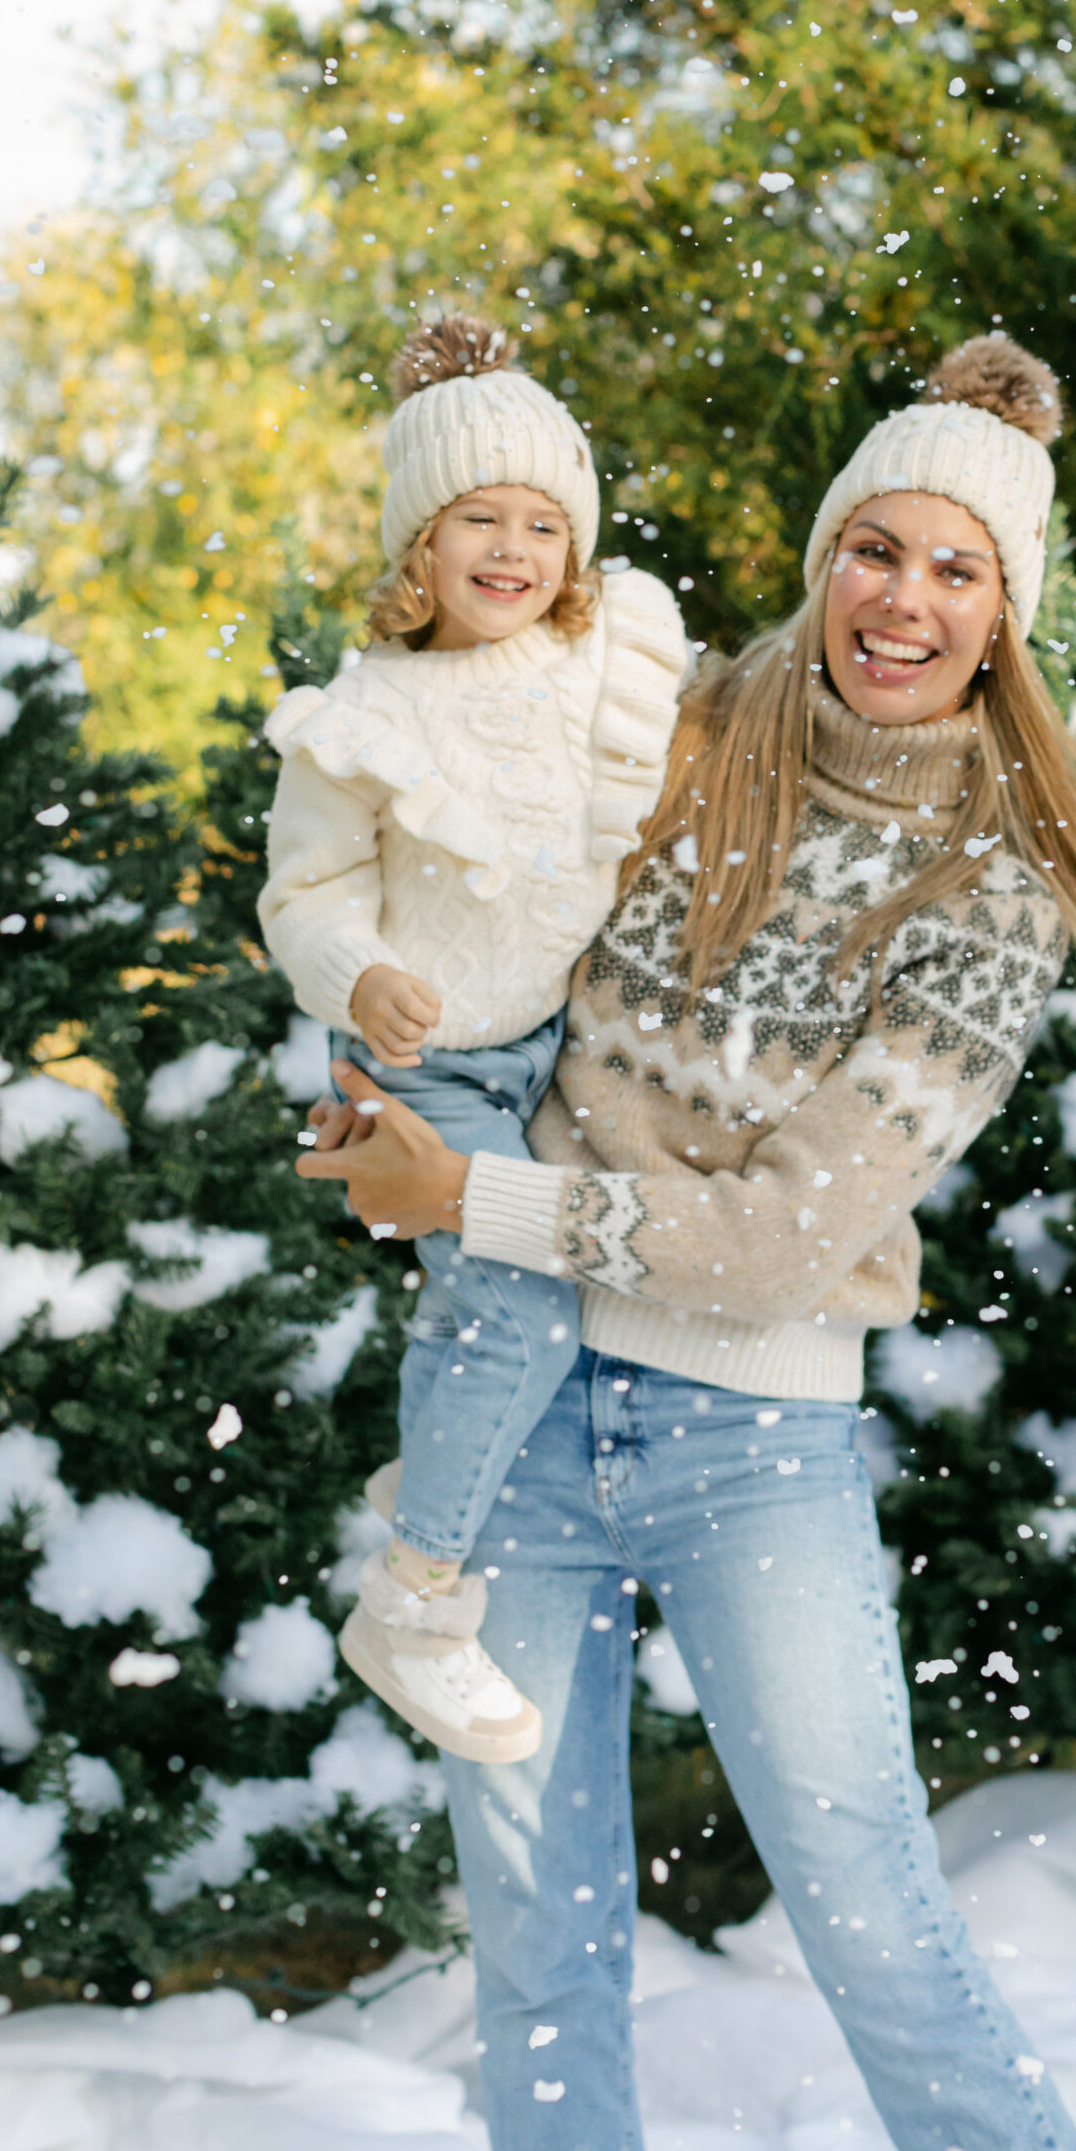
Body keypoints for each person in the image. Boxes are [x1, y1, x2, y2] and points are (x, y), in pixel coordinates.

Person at [303, 332, 1076, 2151]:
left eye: (954, 568)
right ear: (819, 557)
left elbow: (783, 1239)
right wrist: (403, 1071)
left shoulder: (984, 892)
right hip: (511, 1411)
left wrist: (479, 1195)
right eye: (869, 547)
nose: (899, 596)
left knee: (877, 1924)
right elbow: (464, 887)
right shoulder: (673, 729)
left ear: (1004, 613)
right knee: (534, 1953)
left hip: (748, 1444)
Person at [260, 312, 688, 1761]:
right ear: (415, 549)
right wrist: (360, 973)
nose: (514, 550)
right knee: (524, 1307)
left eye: (544, 523)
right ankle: (414, 1603)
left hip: (548, 1046)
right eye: (476, 521)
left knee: (538, 1312)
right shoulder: (366, 714)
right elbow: (305, 893)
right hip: (426, 1061)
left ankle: (439, 1459)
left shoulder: (597, 664)